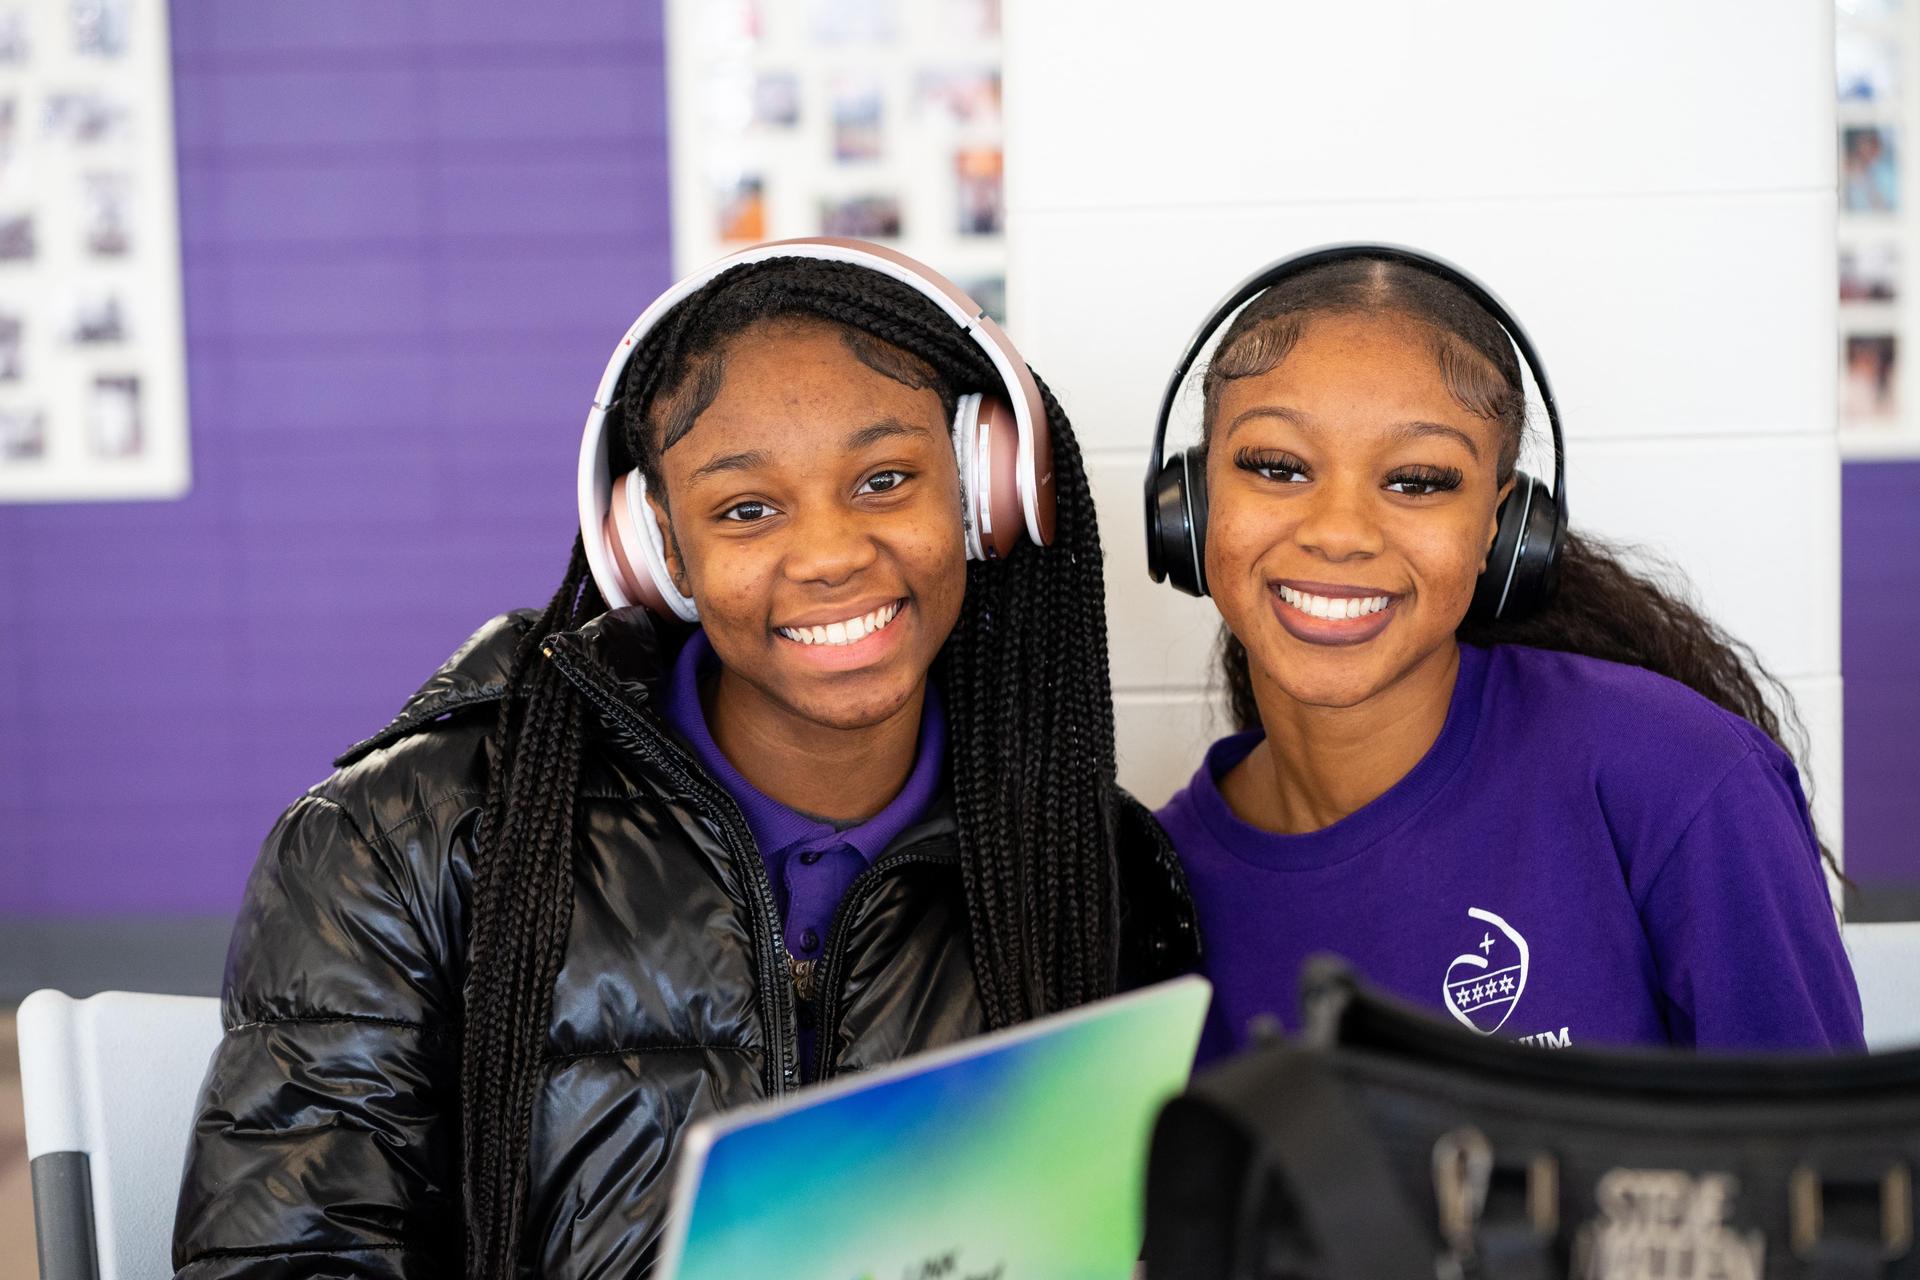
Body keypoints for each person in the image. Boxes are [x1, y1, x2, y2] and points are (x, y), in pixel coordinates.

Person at [171, 242, 1197, 1280]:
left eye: (887, 480)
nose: (833, 552)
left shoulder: (1082, 856)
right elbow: (285, 1260)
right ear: (658, 548)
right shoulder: (404, 839)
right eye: (747, 508)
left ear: (982, 496)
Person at [1148, 246, 1861, 1063]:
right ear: (1193, 508)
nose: (1338, 532)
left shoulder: (1679, 779)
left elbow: (1824, 1174)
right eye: (1277, 467)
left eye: (1418, 480)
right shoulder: (1152, 893)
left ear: (1505, 529)